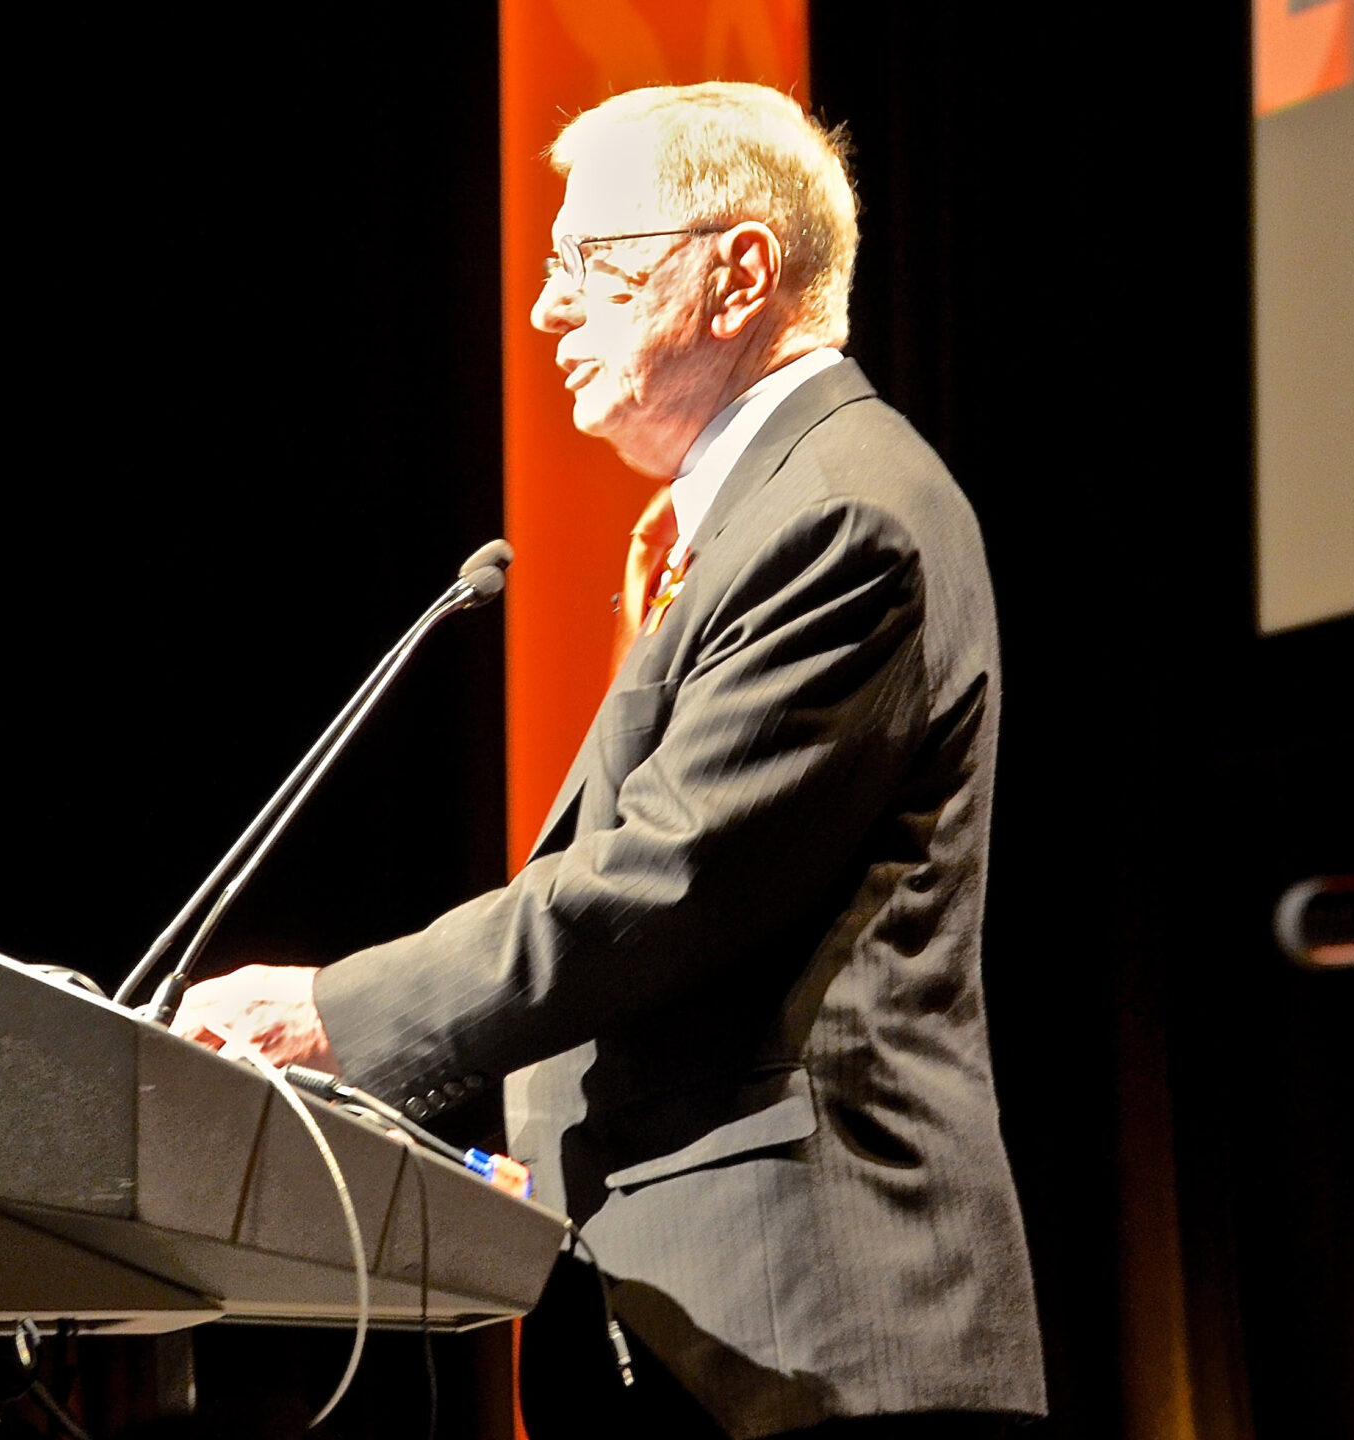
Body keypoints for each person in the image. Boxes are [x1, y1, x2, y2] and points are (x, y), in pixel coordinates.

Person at [173, 81, 1045, 1440]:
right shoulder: (756, 519)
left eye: (591, 263)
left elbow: (660, 885)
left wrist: (328, 1016)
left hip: (813, 1342)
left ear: (742, 271)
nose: (546, 311)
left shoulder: (844, 516)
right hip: (692, 1333)